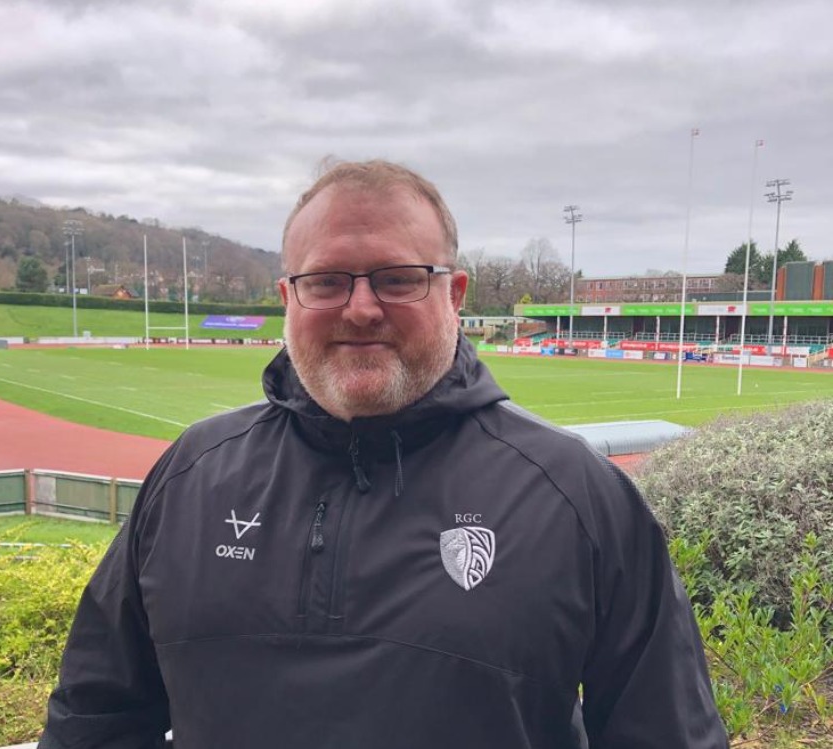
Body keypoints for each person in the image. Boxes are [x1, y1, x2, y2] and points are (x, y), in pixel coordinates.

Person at [39, 159, 728, 748]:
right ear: (288, 297)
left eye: (397, 278)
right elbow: (95, 716)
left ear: (454, 294)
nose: (361, 307)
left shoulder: (575, 495)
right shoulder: (192, 475)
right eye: (326, 280)